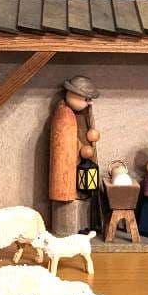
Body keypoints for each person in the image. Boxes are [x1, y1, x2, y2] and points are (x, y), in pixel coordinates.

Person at [48, 76, 101, 236]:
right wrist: (83, 149)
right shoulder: (64, 115)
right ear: (72, 94)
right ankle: (69, 230)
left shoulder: (81, 114)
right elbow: (65, 147)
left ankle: (82, 227)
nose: (90, 103)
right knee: (70, 205)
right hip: (70, 177)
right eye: (86, 99)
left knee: (84, 195)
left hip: (82, 172)